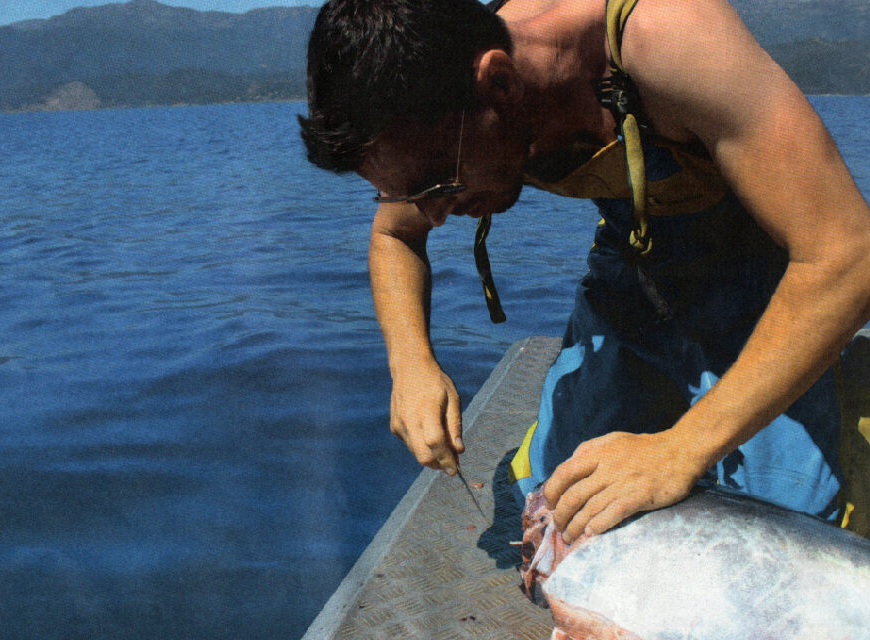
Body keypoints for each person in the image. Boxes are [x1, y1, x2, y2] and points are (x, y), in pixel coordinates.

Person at [299, 0, 870, 542]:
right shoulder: (431, 106)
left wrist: (680, 450)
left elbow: (847, 252)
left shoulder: (667, 42)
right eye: (407, 191)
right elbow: (394, 234)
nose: (431, 214)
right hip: (634, 271)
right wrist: (411, 365)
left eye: (438, 186)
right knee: (556, 510)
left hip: (765, 281)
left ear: (497, 81)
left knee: (784, 526)